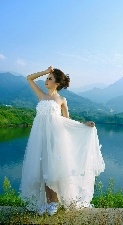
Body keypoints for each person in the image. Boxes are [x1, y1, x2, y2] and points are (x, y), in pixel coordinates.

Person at [20, 66, 105, 215]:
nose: (46, 81)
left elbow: (67, 121)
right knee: (43, 170)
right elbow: (29, 78)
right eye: (47, 78)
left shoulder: (61, 100)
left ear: (57, 83)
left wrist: (83, 125)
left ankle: (55, 202)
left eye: (50, 79)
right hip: (40, 138)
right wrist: (46, 72)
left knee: (55, 169)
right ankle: (47, 202)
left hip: (56, 138)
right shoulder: (41, 96)